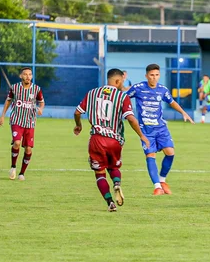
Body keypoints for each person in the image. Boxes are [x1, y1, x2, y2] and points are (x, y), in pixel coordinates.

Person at [74, 68, 150, 212]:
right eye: (123, 81)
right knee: (113, 167)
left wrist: (78, 125)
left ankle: (110, 203)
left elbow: (77, 112)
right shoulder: (122, 97)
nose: (123, 84)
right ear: (117, 81)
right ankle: (116, 182)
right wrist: (141, 135)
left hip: (96, 139)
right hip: (114, 140)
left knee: (99, 173)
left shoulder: (92, 93)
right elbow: (131, 118)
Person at [126, 64, 195, 196]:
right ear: (146, 76)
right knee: (150, 155)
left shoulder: (162, 89)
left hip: (161, 128)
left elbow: (171, 102)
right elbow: (124, 98)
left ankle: (162, 180)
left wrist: (183, 113)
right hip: (146, 129)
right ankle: (157, 187)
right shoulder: (138, 88)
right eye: (152, 75)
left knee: (170, 153)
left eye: (157, 75)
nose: (154, 78)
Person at [0, 67, 44, 181]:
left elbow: (42, 102)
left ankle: (22, 173)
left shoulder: (37, 89)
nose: (28, 76)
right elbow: (8, 101)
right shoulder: (14, 88)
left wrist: (41, 109)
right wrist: (3, 116)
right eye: (25, 74)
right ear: (21, 76)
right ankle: (13, 167)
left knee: (28, 149)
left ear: (32, 76)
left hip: (30, 122)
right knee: (17, 143)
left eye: (30, 74)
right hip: (16, 120)